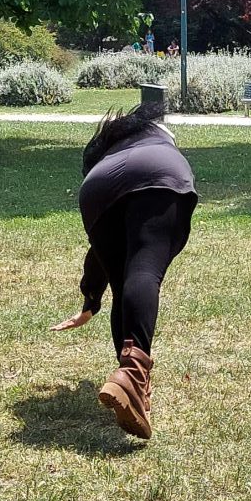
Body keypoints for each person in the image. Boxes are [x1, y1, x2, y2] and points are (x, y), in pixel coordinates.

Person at [53, 93, 196, 440]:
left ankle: (135, 388)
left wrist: (90, 300)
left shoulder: (105, 159)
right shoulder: (153, 135)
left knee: (122, 283)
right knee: (144, 269)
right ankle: (133, 374)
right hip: (159, 170)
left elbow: (97, 257)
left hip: (97, 187)